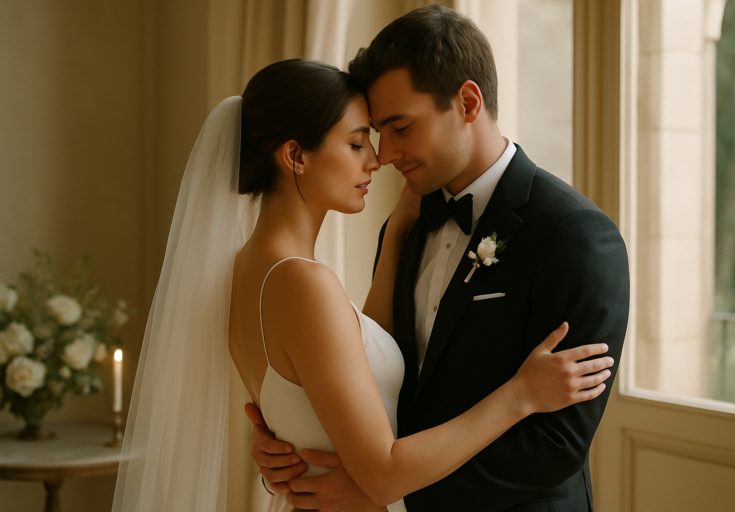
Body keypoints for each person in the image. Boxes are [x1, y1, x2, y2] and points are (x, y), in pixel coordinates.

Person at [111, 56, 613, 512]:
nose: (377, 160)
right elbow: (383, 471)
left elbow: (343, 363)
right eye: (356, 143)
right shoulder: (302, 283)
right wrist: (520, 395)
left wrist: (394, 240)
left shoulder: (244, 269)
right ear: (296, 156)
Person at [249, 5, 630, 512]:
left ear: (468, 102)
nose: (383, 155)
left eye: (400, 127)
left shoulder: (575, 235)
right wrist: (293, 433)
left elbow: (555, 445)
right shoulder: (404, 224)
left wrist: (392, 497)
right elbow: (370, 374)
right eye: (375, 134)